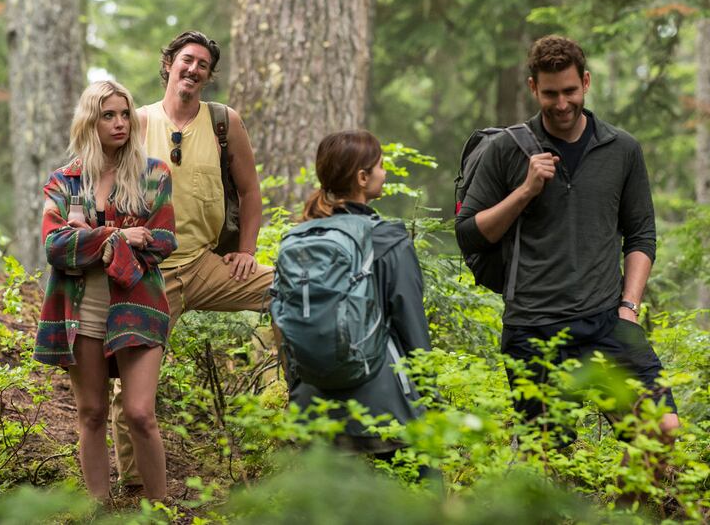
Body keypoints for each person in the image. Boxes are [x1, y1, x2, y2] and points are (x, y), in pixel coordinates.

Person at [455, 35, 679, 443]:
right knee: (548, 457)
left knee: (661, 430)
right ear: (533, 88)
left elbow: (641, 234)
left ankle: (623, 508)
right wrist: (524, 191)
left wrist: (629, 308)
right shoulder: (507, 149)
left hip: (607, 322)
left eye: (570, 91)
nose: (562, 104)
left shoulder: (622, 148)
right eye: (551, 93)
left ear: (587, 83)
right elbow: (468, 235)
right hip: (533, 329)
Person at [111, 30, 274, 488]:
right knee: (130, 392)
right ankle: (136, 489)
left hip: (205, 264)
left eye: (203, 64)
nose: (193, 69)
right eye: (187, 59)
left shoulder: (224, 122)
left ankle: (296, 399)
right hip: (148, 274)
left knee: (290, 288)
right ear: (169, 64)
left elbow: (250, 190)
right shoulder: (137, 122)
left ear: (209, 75)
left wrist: (245, 251)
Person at [34, 80, 177, 501]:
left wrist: (90, 238)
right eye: (108, 115)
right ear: (90, 122)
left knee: (139, 413)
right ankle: (100, 507)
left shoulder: (153, 174)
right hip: (80, 310)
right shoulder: (65, 182)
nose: (119, 123)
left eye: (124, 114)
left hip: (138, 304)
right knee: (92, 413)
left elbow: (164, 240)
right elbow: (54, 247)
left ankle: (160, 507)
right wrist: (118, 236)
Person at [287, 130, 431, 459]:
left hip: (313, 408)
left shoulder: (297, 240)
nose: (385, 172)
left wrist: (296, 395)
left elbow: (287, 329)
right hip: (384, 408)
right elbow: (413, 330)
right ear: (363, 178)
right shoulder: (389, 241)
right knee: (425, 494)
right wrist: (431, 403)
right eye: (380, 166)